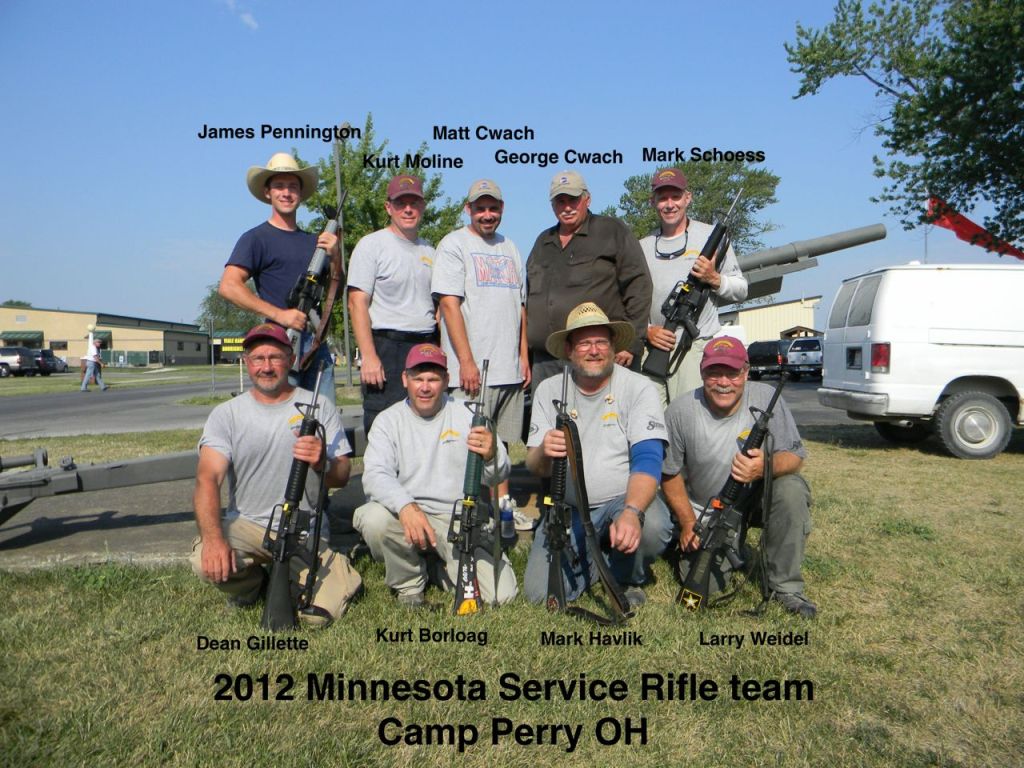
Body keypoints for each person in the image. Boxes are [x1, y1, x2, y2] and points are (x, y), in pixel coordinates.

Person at [190, 323, 362, 626]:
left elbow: (342, 476)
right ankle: (252, 585)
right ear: (246, 362)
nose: (266, 367)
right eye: (258, 358)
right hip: (247, 525)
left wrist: (322, 462)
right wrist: (215, 539)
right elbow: (208, 479)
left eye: (275, 357)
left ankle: (316, 574)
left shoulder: (320, 406)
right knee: (203, 560)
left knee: (318, 617)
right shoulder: (226, 414)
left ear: (291, 359)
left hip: (305, 532)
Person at [524, 302, 672, 607]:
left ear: (613, 345)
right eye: (585, 342)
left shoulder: (638, 387)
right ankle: (601, 557)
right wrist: (544, 452)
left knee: (654, 525)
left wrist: (631, 512)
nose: (594, 350)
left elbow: (648, 459)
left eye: (602, 341)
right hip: (569, 510)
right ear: (569, 350)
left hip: (621, 501)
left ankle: (626, 573)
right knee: (541, 595)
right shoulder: (549, 389)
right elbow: (534, 466)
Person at [661, 336, 816, 618]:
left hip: (756, 498)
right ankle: (726, 548)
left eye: (732, 373)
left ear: (745, 372)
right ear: (702, 373)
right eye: (714, 372)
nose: (723, 382)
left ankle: (786, 587)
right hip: (707, 512)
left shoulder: (768, 397)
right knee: (705, 583)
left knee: (791, 489)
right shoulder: (680, 411)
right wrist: (687, 524)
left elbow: (796, 457)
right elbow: (669, 474)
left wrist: (764, 467)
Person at [354, 343, 516, 607]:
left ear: (447, 381)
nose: (425, 387)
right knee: (373, 518)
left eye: (433, 379)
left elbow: (498, 475)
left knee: (502, 596)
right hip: (408, 517)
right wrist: (406, 506)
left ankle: (436, 567)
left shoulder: (469, 415)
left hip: (457, 520)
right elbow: (374, 475)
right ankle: (409, 584)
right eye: (418, 379)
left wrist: (491, 456)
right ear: (405, 379)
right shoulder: (387, 420)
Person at [431, 179, 532, 530]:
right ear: (468, 209)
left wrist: (523, 356)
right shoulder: (453, 245)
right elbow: (449, 304)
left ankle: (501, 509)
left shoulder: (511, 248)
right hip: (474, 371)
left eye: (493, 208)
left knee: (500, 446)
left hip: (508, 369)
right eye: (480, 208)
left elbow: (521, 306)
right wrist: (466, 362)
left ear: (502, 209)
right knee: (469, 445)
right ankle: (470, 511)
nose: (487, 214)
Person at [219, 152, 340, 401]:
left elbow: (336, 293)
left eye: (293, 187)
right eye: (279, 186)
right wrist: (280, 315)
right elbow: (229, 286)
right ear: (268, 193)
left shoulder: (315, 242)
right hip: (279, 345)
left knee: (325, 421)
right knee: (285, 424)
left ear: (300, 194)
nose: (286, 193)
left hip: (317, 346)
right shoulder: (255, 238)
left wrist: (336, 256)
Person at [526, 170, 652, 389]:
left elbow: (639, 285)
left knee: (599, 420)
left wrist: (631, 343)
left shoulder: (611, 230)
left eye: (573, 200)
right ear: (552, 205)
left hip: (596, 356)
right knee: (547, 422)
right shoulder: (542, 241)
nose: (566, 207)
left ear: (587, 198)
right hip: (545, 360)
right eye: (560, 201)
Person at [640, 168, 748, 405]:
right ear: (653, 202)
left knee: (688, 420)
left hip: (694, 349)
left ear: (687, 198)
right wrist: (647, 330)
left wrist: (714, 279)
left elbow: (741, 289)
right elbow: (631, 302)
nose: (669, 204)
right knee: (652, 423)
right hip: (655, 346)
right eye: (662, 198)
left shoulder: (712, 237)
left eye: (675, 197)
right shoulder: (643, 246)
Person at [347, 174, 437, 435]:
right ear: (388, 207)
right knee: (383, 426)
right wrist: (369, 356)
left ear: (423, 206)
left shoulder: (430, 251)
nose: (408, 209)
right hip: (386, 347)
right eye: (401, 204)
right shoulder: (371, 245)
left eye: (414, 203)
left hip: (425, 344)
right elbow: (357, 303)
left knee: (423, 424)